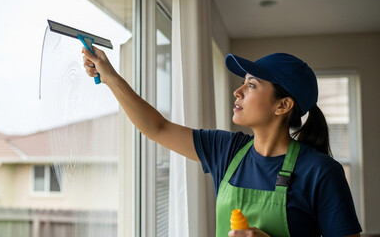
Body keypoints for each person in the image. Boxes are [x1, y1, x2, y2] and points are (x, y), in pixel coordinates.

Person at [82, 47, 362, 237]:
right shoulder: (226, 151)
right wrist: (110, 77)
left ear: (283, 105)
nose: (237, 91)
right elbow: (157, 128)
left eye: (251, 85)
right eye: (243, 82)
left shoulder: (321, 172)